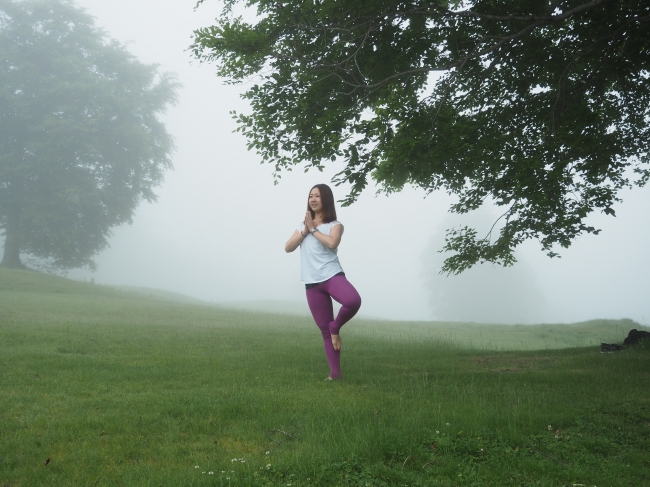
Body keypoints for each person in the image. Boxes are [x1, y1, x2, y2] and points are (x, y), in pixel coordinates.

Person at [285, 184, 362, 380]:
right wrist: (304, 231)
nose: (313, 199)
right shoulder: (302, 226)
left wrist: (313, 230)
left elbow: (332, 243)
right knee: (324, 331)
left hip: (332, 275)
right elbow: (288, 247)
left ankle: (336, 327)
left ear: (325, 199)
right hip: (312, 284)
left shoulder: (335, 225)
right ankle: (335, 375)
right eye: (311, 196)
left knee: (353, 301)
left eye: (317, 196)